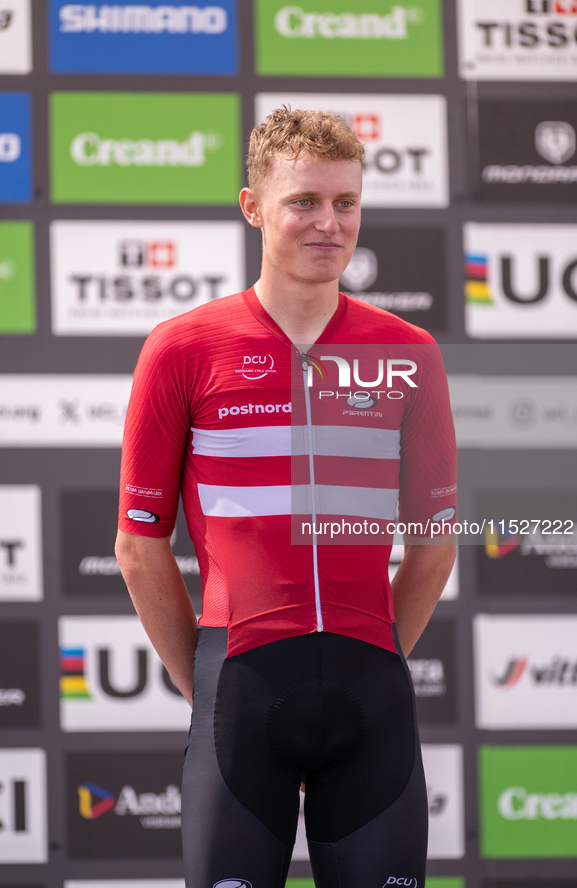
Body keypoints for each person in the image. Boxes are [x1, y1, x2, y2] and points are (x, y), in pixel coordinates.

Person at [115, 108, 456, 888]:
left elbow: (434, 543)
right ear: (252, 207)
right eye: (304, 201)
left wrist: (362, 656)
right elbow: (138, 548)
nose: (328, 223)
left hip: (372, 703)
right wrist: (208, 683)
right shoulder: (183, 347)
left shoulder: (409, 355)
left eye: (345, 202)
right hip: (240, 693)